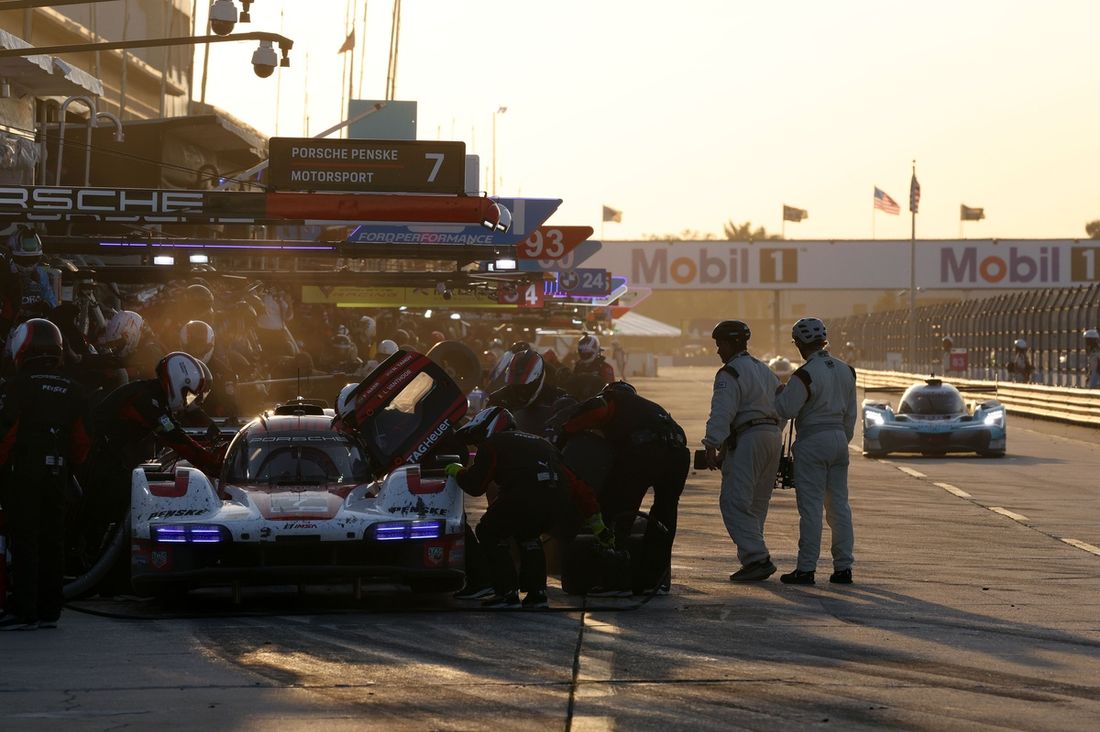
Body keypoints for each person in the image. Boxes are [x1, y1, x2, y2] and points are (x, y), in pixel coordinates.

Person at [445, 407, 606, 609]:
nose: (478, 445)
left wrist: (457, 471)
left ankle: (506, 593)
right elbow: (577, 485)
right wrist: (598, 524)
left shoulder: (493, 444)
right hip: (558, 498)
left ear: (488, 428)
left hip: (526, 493)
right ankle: (537, 594)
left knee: (489, 531)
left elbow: (476, 486)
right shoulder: (542, 444)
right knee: (529, 535)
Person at [556, 380, 689, 593]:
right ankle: (652, 581)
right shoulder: (651, 408)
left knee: (616, 511)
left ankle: (613, 581)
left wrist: (560, 440)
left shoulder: (611, 399)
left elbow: (594, 412)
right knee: (664, 517)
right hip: (678, 454)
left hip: (645, 451)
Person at [0, 320, 90, 630]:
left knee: (24, 538)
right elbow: (81, 441)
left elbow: (6, 434)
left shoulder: (16, 386)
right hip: (58, 471)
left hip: (22, 470)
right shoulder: (73, 388)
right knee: (54, 540)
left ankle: (24, 610)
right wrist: (69, 468)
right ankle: (50, 610)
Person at [774, 317, 857, 586]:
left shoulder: (804, 374)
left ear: (799, 344)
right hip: (839, 439)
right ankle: (843, 568)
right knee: (839, 507)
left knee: (810, 509)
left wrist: (779, 392)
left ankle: (806, 568)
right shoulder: (847, 371)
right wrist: (842, 439)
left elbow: (785, 409)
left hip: (813, 440)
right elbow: (851, 415)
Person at [701, 320, 782, 583]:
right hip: (772, 436)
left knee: (734, 502)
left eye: (720, 344)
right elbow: (783, 403)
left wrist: (712, 443)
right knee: (757, 503)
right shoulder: (765, 370)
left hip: (748, 438)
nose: (717, 351)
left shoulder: (730, 373)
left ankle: (757, 557)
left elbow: (722, 411)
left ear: (731, 343)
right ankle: (753, 559)